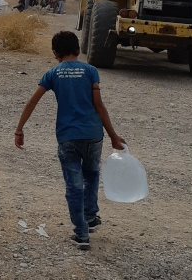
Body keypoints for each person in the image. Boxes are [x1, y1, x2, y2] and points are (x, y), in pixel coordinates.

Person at [14, 30, 125, 251]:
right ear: (78, 49)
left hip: (67, 137)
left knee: (74, 186)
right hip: (93, 135)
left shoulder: (52, 74)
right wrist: (113, 135)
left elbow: (31, 102)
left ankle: (81, 233)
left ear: (55, 53)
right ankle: (91, 217)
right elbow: (99, 106)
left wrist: (19, 129)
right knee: (92, 177)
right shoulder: (91, 71)